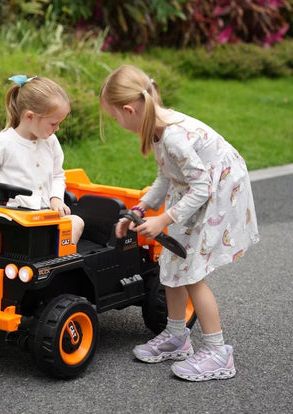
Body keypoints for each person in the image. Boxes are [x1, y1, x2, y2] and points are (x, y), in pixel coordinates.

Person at [100, 64, 259, 381]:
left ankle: (218, 354)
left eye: (115, 117)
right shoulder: (158, 128)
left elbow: (202, 187)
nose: (117, 123)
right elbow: (166, 175)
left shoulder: (172, 137)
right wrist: (142, 209)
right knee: (172, 262)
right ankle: (176, 336)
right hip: (193, 192)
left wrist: (163, 219)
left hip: (216, 194)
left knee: (192, 273)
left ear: (130, 109)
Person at [0, 75, 84, 245]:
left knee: (76, 222)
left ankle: (57, 260)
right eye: (53, 123)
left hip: (46, 216)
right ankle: (47, 252)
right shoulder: (4, 142)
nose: (57, 129)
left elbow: (58, 175)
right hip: (13, 218)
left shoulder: (51, 142)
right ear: (30, 117)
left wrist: (55, 198)